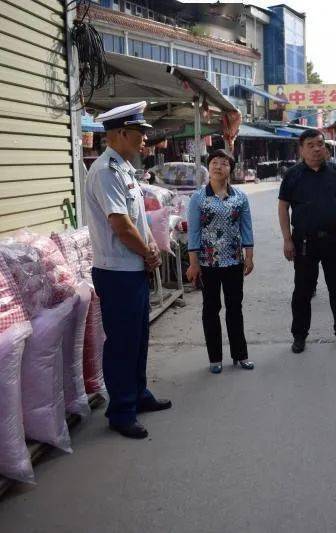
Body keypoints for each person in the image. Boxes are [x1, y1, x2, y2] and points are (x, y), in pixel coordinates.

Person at [85, 101, 171, 439]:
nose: (145, 141)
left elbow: (138, 220)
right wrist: (146, 254)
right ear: (121, 133)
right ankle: (121, 410)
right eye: (140, 134)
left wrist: (151, 249)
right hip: (116, 271)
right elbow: (120, 225)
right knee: (121, 342)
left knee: (138, 338)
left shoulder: (124, 170)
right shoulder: (106, 172)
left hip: (133, 267)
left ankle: (138, 394)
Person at [279, 129, 336, 353]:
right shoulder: (293, 175)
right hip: (304, 242)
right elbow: (283, 207)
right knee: (302, 290)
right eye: (311, 144)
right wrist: (287, 239)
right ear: (301, 149)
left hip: (334, 238)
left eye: (320, 144)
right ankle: (299, 336)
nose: (317, 148)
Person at [186, 149, 255, 374]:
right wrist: (193, 263)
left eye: (224, 163)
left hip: (234, 260)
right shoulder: (198, 198)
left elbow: (246, 227)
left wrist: (249, 256)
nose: (218, 166)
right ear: (209, 168)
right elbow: (194, 232)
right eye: (214, 163)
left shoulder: (240, 197)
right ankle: (215, 357)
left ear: (230, 169)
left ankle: (240, 355)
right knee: (211, 309)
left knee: (235, 308)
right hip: (208, 263)